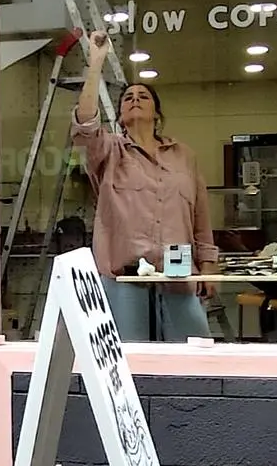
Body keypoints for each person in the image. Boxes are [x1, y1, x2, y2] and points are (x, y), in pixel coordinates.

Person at [72, 30, 219, 341]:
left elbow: (201, 219)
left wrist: (208, 267)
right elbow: (85, 124)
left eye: (143, 96)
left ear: (157, 113)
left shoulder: (184, 156)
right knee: (131, 358)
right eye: (128, 98)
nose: (135, 100)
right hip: (124, 280)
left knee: (194, 352)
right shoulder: (108, 151)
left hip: (179, 276)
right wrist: (96, 62)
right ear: (120, 116)